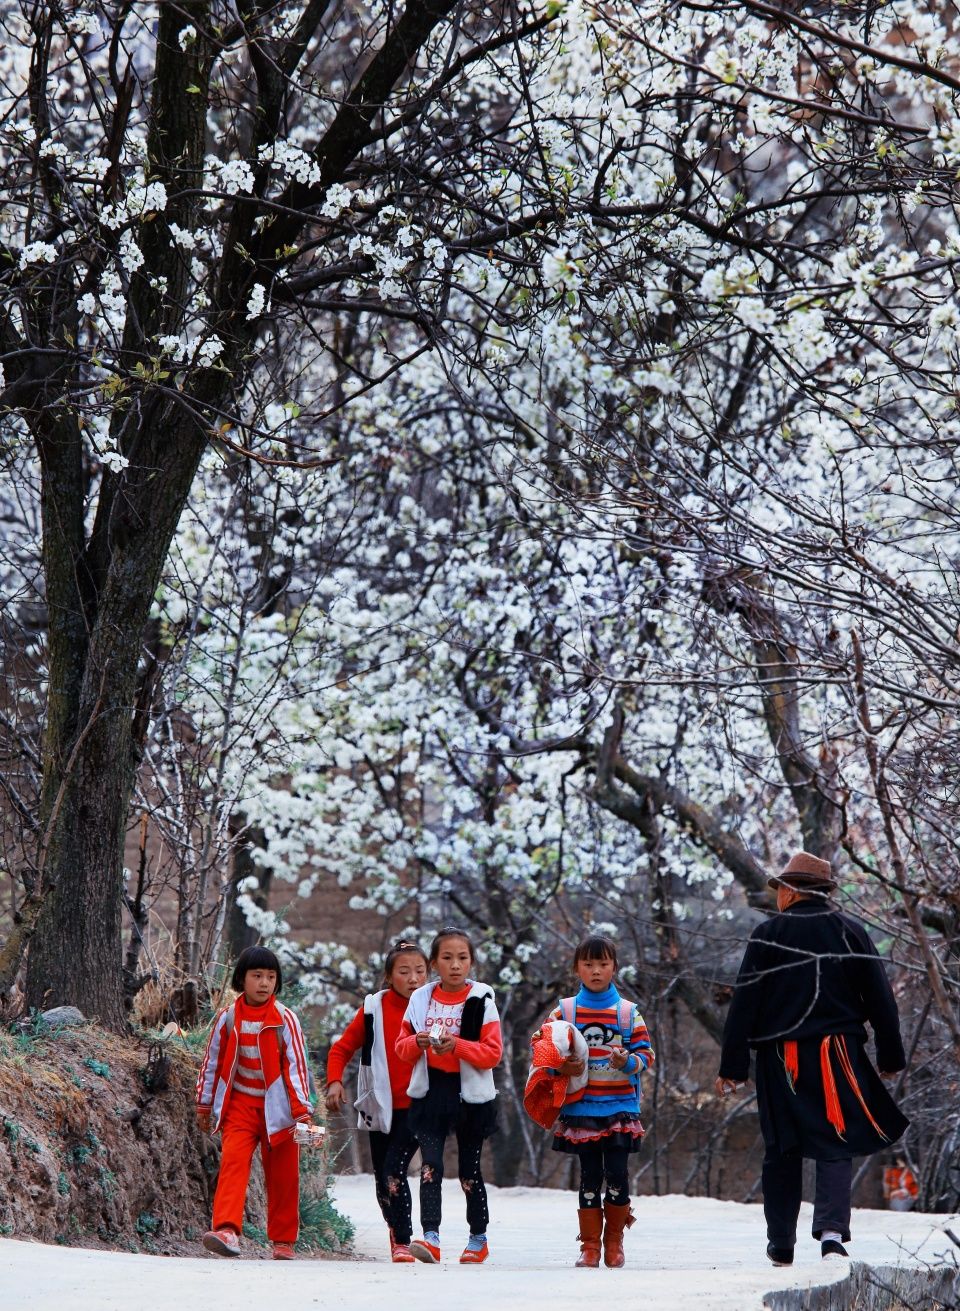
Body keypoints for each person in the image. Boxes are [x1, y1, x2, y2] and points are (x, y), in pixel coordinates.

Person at [716, 852, 909, 1266]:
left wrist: (733, 1067)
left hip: (780, 1058)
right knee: (836, 1140)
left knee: (781, 1146)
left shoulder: (768, 935)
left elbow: (744, 1004)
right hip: (837, 1054)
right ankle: (832, 1235)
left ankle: (781, 1243)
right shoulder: (850, 932)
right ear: (823, 892)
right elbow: (881, 1000)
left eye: (779, 888)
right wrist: (890, 1056)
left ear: (790, 891)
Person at [540, 934, 654, 1269]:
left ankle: (614, 1242)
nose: (595, 971)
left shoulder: (628, 1013)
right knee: (589, 1176)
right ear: (576, 968)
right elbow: (543, 1050)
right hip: (582, 1108)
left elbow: (646, 1055)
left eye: (603, 964)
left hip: (619, 1108)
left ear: (614, 967)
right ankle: (589, 1245)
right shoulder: (564, 1011)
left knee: (617, 1174)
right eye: (588, 964)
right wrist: (562, 1066)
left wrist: (627, 1062)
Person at [196, 945, 315, 1261]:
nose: (264, 983)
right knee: (233, 1162)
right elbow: (211, 1062)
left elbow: (297, 1067)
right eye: (257, 975)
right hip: (241, 1105)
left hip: (280, 1109)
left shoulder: (285, 1019)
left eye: (271, 977)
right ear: (241, 979)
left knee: (284, 1174)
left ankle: (283, 1240)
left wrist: (302, 1112)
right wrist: (204, 1104)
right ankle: (226, 1230)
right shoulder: (228, 1018)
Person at [395, 927, 502, 1265]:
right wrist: (417, 1042)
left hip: (471, 1094)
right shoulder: (420, 1000)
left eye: (462, 958)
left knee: (470, 1170)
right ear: (434, 963)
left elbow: (492, 1053)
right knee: (431, 1165)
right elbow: (401, 1048)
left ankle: (478, 1239)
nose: (455, 965)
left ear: (471, 962)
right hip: (432, 1090)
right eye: (447, 958)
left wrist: (457, 1046)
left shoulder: (481, 1000)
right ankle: (430, 1238)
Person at [325, 939, 429, 1262]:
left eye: (420, 971)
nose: (413, 978)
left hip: (419, 1104)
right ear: (388, 977)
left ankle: (403, 1240)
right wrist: (334, 1081)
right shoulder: (373, 1010)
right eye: (404, 971)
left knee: (395, 1167)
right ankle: (394, 1228)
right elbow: (342, 1048)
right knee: (382, 1177)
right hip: (380, 1105)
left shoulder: (434, 1006)